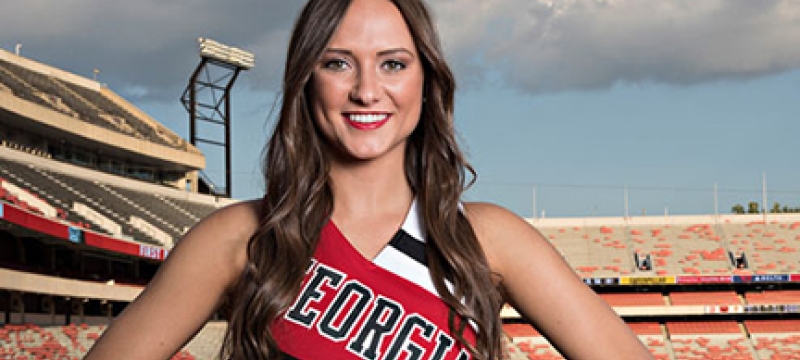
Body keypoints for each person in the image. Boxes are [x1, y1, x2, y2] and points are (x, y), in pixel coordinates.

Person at [85, 0, 653, 359]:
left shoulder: (489, 239)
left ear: (427, 82)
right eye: (337, 63)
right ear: (306, 82)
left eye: (393, 63)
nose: (365, 90)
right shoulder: (240, 236)